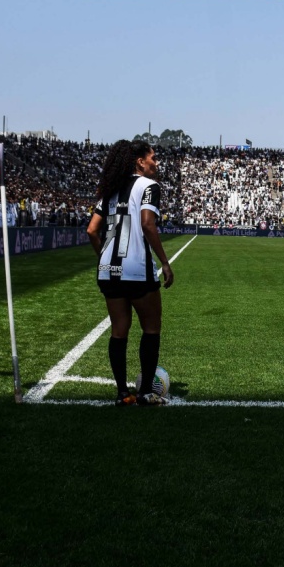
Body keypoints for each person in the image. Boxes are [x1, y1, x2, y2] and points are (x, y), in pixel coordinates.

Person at [87, 140, 174, 407]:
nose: (156, 163)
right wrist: (165, 262)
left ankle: (123, 394)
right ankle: (146, 392)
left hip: (108, 271)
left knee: (119, 331)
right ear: (140, 162)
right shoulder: (149, 186)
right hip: (136, 269)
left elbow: (91, 230)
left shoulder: (110, 189)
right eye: (153, 158)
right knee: (151, 328)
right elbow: (148, 224)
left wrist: (105, 257)